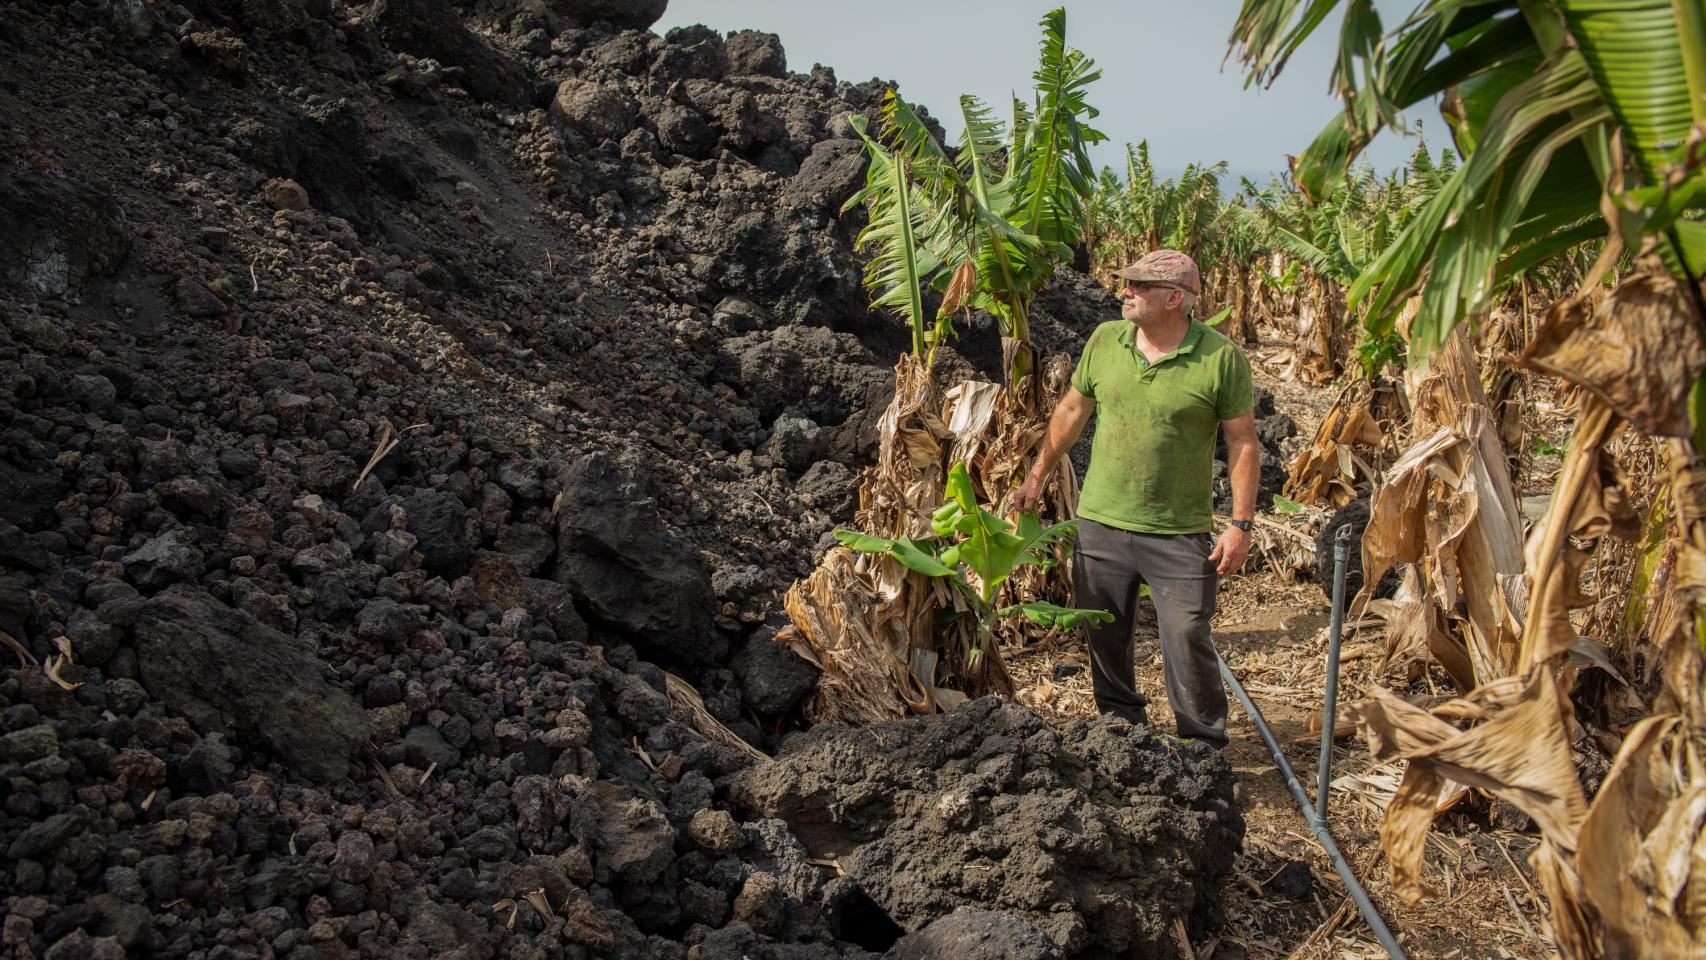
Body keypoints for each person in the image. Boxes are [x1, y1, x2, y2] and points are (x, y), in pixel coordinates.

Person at [1012, 249, 1258, 749]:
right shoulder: (1106, 340)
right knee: (1105, 634)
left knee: (1187, 635)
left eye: (1138, 285)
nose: (1125, 291)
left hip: (1178, 529)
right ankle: (1122, 731)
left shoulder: (1221, 358)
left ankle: (1201, 745)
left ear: (1175, 298)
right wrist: (1036, 477)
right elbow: (1072, 411)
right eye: (1126, 282)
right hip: (1102, 520)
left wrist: (1241, 523)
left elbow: (1243, 441)